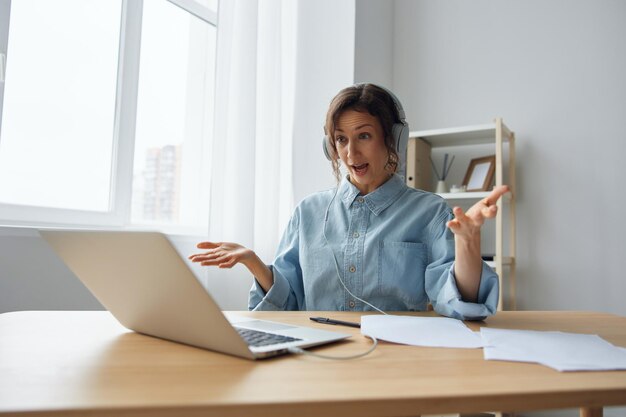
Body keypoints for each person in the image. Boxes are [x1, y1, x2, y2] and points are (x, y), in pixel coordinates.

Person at [190, 83, 508, 320]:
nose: (350, 154)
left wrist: (468, 242)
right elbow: (286, 307)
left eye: (364, 136)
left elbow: (463, 303)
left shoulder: (428, 212)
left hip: (395, 365)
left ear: (393, 139)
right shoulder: (308, 212)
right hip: (317, 363)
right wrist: (254, 263)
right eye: (341, 139)